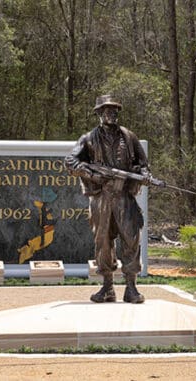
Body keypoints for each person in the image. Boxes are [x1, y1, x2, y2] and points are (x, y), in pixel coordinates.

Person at [65, 94, 156, 304]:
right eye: (106, 110)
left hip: (124, 196)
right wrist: (91, 174)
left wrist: (145, 175)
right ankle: (107, 286)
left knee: (131, 238)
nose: (111, 114)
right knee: (103, 240)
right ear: (98, 113)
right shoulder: (87, 138)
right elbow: (70, 161)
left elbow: (143, 164)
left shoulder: (129, 137)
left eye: (114, 110)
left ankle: (131, 287)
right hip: (101, 197)